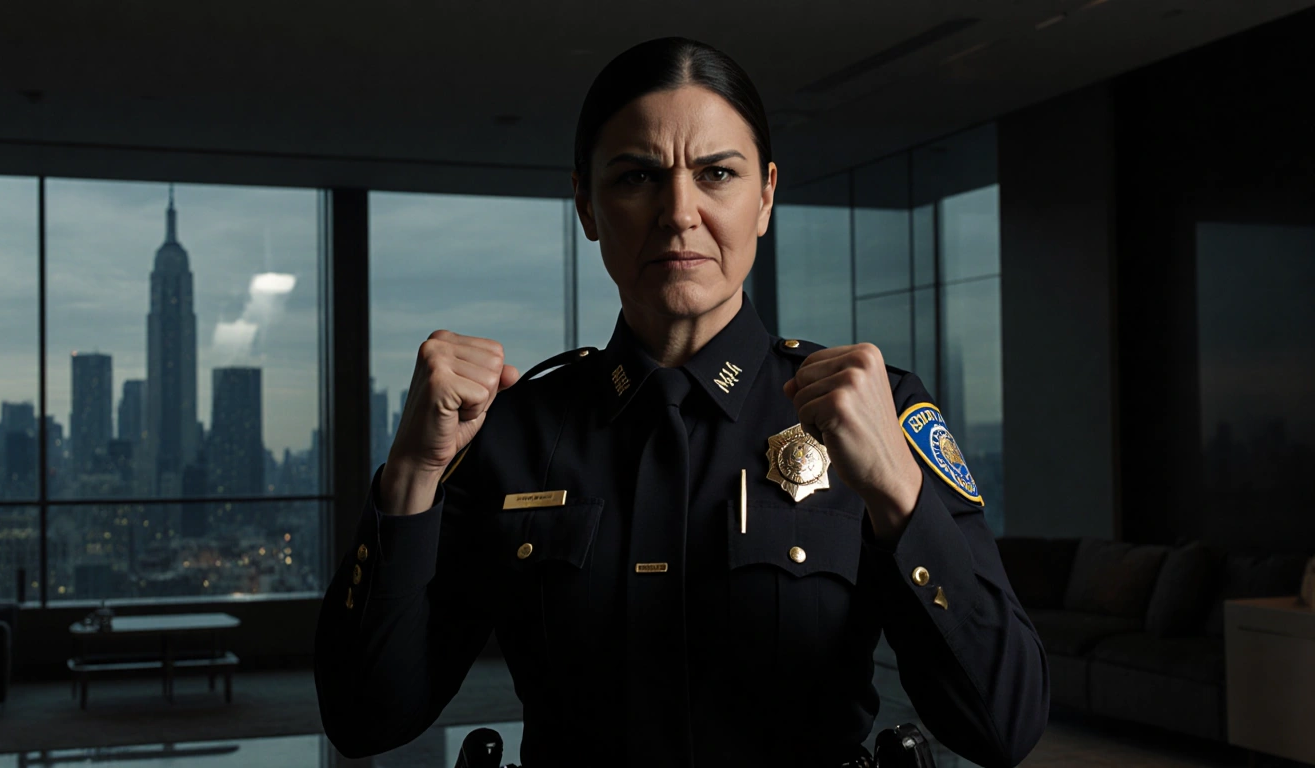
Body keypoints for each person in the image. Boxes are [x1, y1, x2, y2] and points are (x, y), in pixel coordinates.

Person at [314, 37, 1049, 768]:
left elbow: (1003, 723)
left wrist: (898, 495)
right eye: (637, 176)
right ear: (587, 204)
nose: (678, 212)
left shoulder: (876, 411)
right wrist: (411, 471)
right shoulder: (516, 431)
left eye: (716, 174)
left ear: (763, 196)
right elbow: (365, 717)